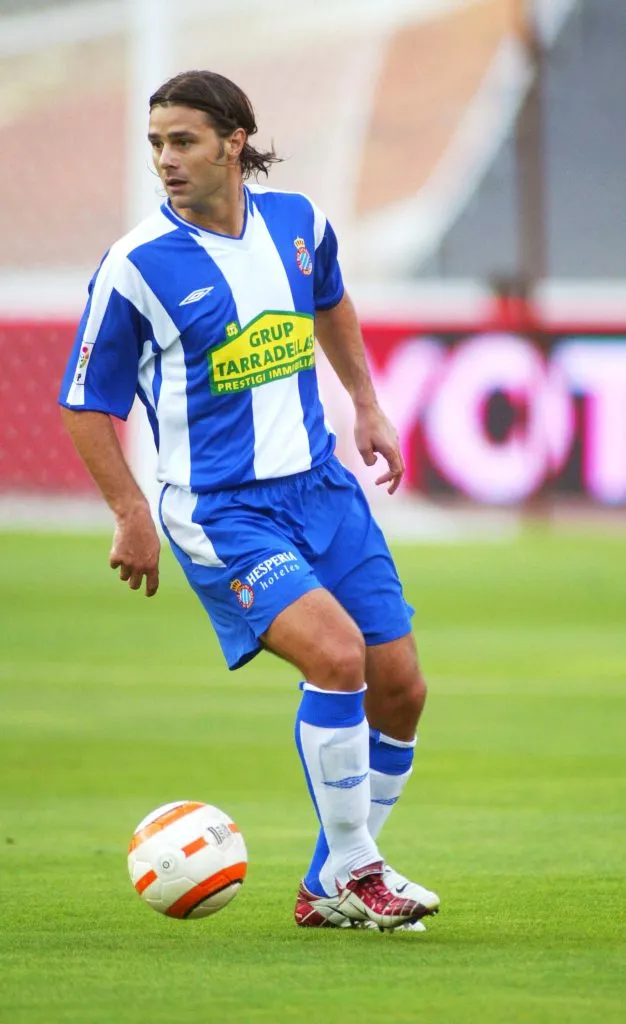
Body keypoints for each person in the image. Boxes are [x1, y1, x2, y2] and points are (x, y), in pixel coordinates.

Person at [59, 70, 439, 932]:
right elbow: (85, 401)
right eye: (155, 143)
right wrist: (130, 512)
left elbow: (331, 300)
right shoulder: (136, 266)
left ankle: (327, 884)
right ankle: (359, 872)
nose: (165, 159)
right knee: (337, 657)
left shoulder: (299, 224)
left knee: (403, 687)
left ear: (235, 142)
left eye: (183, 140)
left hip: (321, 489)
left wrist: (369, 406)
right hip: (221, 509)